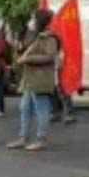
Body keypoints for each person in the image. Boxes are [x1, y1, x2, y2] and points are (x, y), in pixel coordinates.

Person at [7, 9, 59, 151]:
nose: (31, 21)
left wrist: (27, 59)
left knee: (41, 109)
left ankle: (41, 139)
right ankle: (23, 137)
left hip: (40, 79)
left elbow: (49, 56)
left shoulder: (50, 37)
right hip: (30, 78)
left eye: (33, 18)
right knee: (24, 108)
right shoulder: (35, 36)